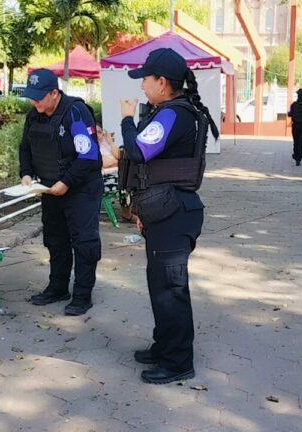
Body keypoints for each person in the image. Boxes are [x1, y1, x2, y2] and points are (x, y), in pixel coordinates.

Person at [119, 47, 218, 384]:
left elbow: (138, 149)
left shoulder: (173, 114)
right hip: (166, 210)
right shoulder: (172, 112)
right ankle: (164, 346)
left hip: (175, 212)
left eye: (145, 79)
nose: (141, 86)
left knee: (170, 289)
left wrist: (126, 119)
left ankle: (177, 362)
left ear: (162, 82)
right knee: (161, 284)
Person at [19, 68, 103, 316]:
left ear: (54, 92)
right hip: (49, 188)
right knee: (55, 240)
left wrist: (65, 183)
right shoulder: (34, 115)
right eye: (31, 97)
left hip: (81, 188)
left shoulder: (76, 112)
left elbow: (88, 155)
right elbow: (25, 147)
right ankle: (57, 288)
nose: (34, 102)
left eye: (39, 97)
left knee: (84, 242)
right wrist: (25, 173)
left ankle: (82, 295)